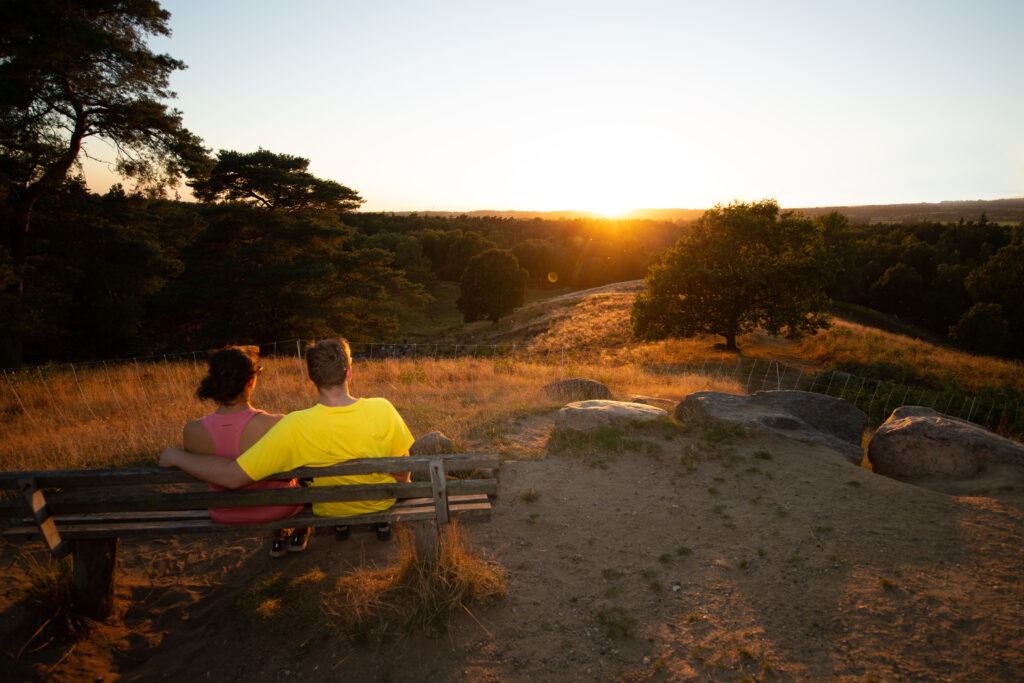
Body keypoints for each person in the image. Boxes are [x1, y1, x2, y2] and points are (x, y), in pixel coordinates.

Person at [160, 338, 413, 542]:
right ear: (348, 373)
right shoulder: (383, 408)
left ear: (310, 377)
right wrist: (404, 486)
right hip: (381, 500)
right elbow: (402, 470)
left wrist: (175, 456)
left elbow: (233, 476)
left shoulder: (294, 425)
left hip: (331, 508)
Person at [184, 345, 310, 557]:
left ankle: (279, 535)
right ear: (251, 380)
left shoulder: (192, 431)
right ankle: (297, 530)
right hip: (277, 508)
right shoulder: (277, 424)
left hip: (223, 512)